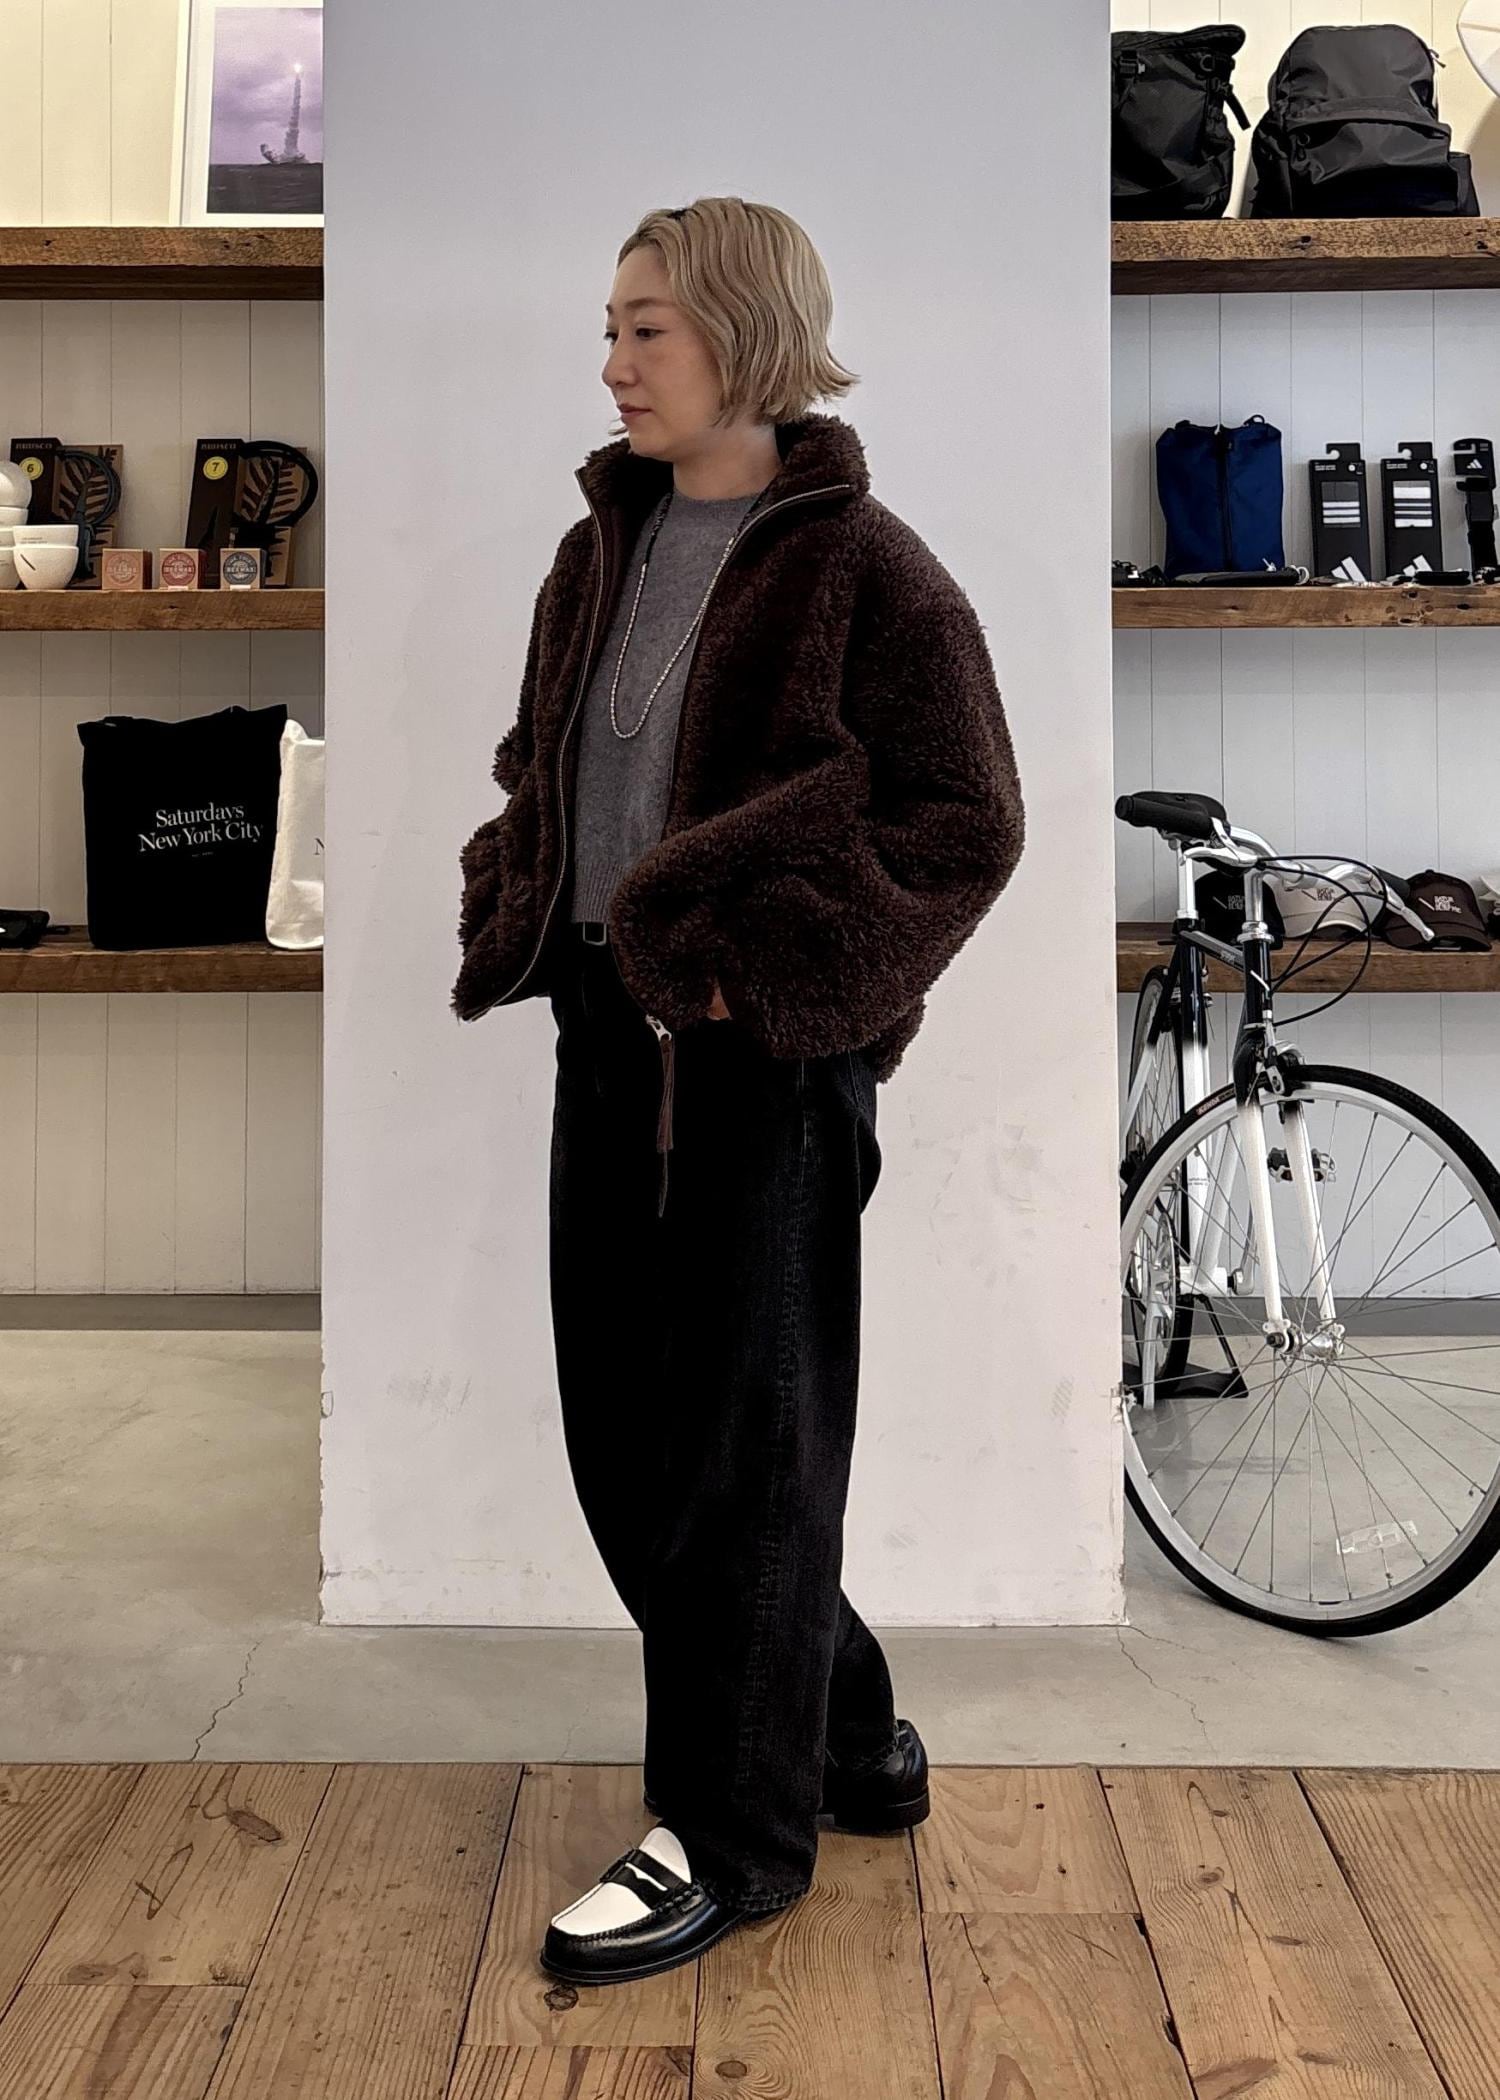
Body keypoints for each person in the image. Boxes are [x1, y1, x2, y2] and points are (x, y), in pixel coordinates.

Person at [452, 196, 1025, 1987]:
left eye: (649, 329)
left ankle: (731, 1837)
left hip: (761, 1068)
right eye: (611, 329)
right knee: (627, 1448)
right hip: (605, 1040)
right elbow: (546, 764)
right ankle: (841, 1730)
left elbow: (967, 821)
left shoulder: (870, 567)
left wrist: (771, 976)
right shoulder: (599, 552)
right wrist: (521, 883)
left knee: (749, 1459)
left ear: (746, 336)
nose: (614, 364)